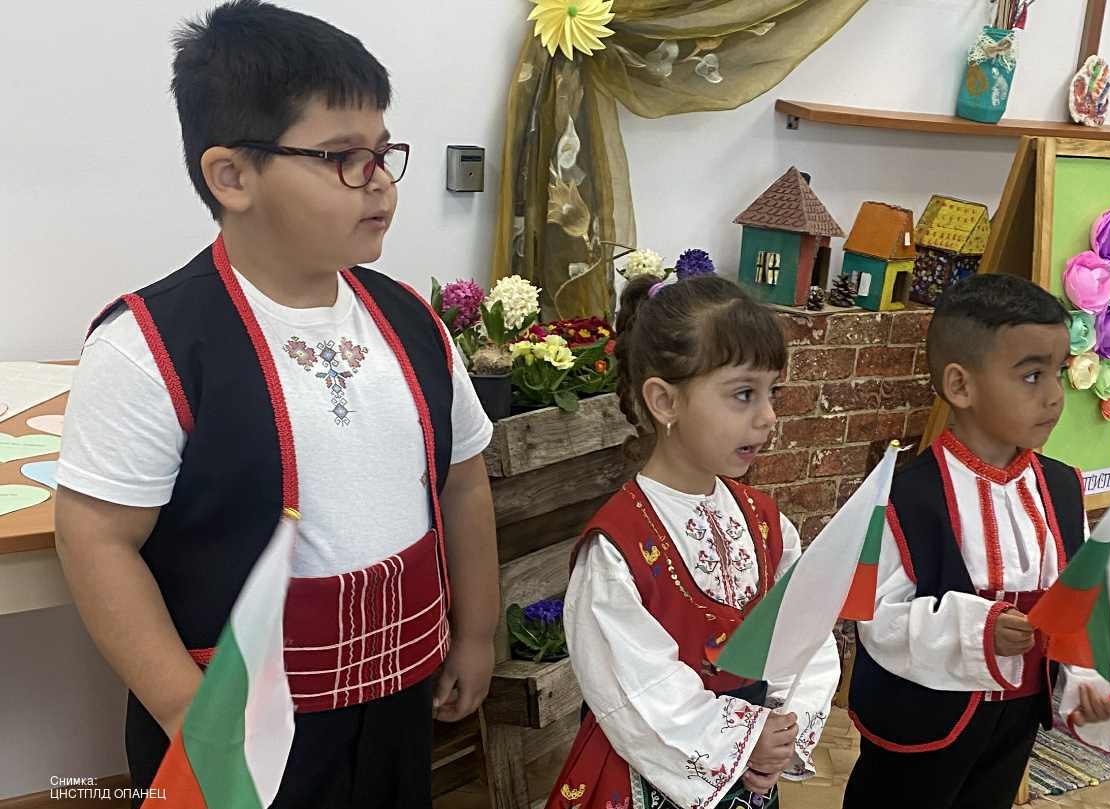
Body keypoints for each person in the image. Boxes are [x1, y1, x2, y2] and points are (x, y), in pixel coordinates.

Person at [53, 3, 499, 806]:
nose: (380, 181)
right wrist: (186, 711)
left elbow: (463, 482)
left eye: (383, 152)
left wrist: (475, 631)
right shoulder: (149, 345)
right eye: (343, 157)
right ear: (232, 176)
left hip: (400, 694)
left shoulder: (413, 321)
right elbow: (96, 539)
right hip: (236, 723)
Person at [843, 274, 1110, 809]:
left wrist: (1094, 682)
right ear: (961, 386)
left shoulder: (1062, 488)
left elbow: (1083, 604)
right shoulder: (903, 497)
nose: (1054, 396)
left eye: (1058, 372)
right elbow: (878, 618)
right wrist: (977, 630)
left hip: (1015, 719)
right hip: (921, 721)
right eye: (1031, 375)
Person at [545, 274, 841, 809]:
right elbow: (636, 689)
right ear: (665, 401)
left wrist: (782, 727)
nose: (768, 416)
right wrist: (743, 740)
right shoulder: (617, 548)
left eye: (772, 392)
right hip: (651, 774)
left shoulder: (767, 524)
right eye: (743, 394)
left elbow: (805, 636)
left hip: (750, 766)